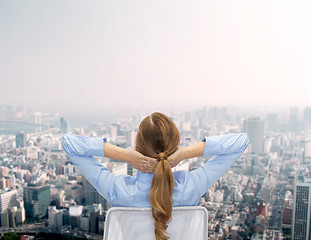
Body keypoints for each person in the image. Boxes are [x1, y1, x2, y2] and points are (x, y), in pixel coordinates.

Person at [61, 112, 249, 240]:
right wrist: (184, 154)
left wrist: (125, 155)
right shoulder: (191, 186)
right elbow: (241, 142)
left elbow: (69, 143)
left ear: (137, 149)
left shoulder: (118, 191)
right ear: (173, 150)